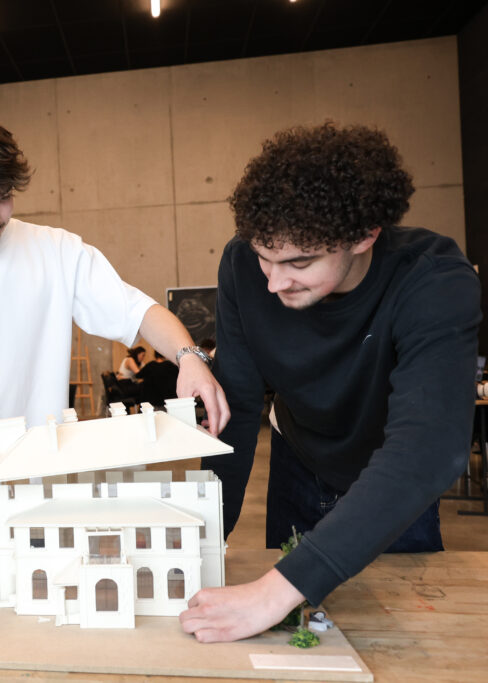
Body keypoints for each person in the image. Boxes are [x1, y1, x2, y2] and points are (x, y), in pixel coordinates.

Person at [0, 111, 229, 547]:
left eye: (3, 197)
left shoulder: (56, 251)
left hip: (44, 497)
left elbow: (138, 311)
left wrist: (190, 358)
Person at [179, 122, 481, 643]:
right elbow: (239, 410)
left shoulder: (432, 279)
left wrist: (275, 591)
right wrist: (207, 544)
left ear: (364, 235)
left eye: (299, 262)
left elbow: (428, 451)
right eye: (264, 258)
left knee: (388, 637)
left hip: (391, 486)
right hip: (299, 465)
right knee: (298, 642)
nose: (274, 283)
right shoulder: (242, 267)